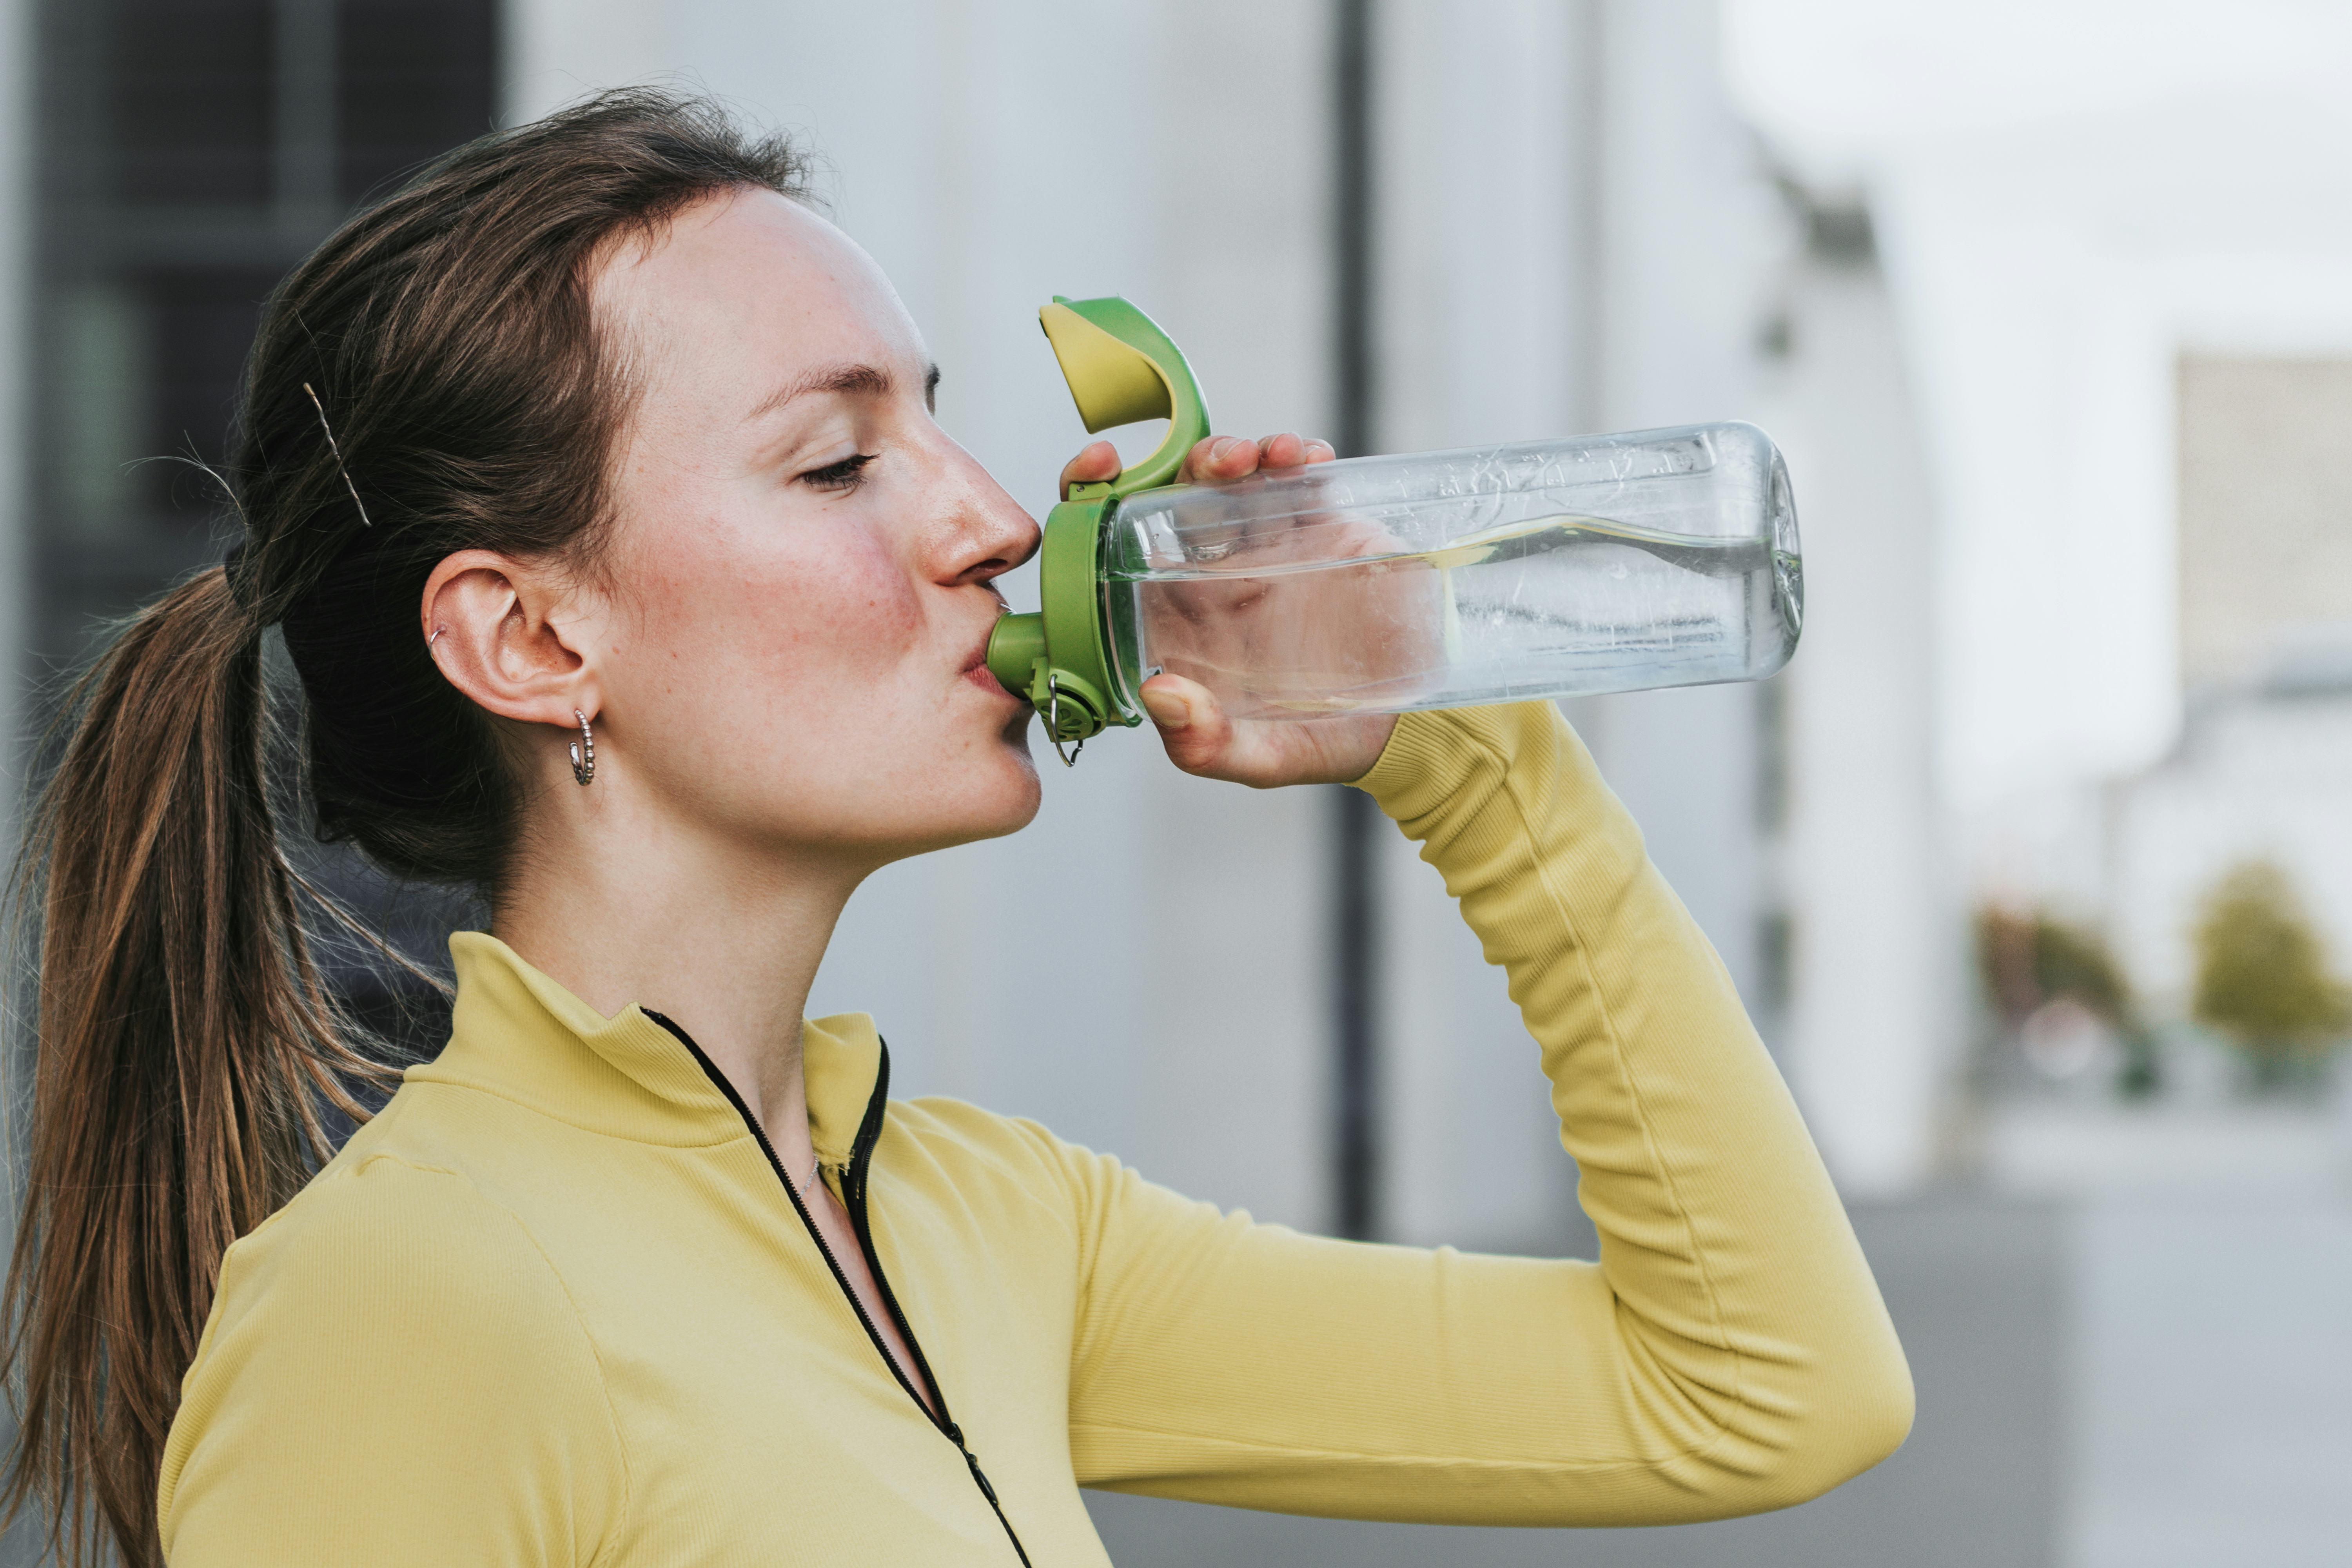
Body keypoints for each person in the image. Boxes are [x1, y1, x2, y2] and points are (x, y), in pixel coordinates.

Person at [1, 92, 1911, 1568]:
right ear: (530, 635)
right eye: (838, 461)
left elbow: (1761, 1392)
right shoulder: (412, 1294)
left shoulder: (985, 1223)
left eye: (938, 422)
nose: (996, 515)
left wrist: (1456, 751)